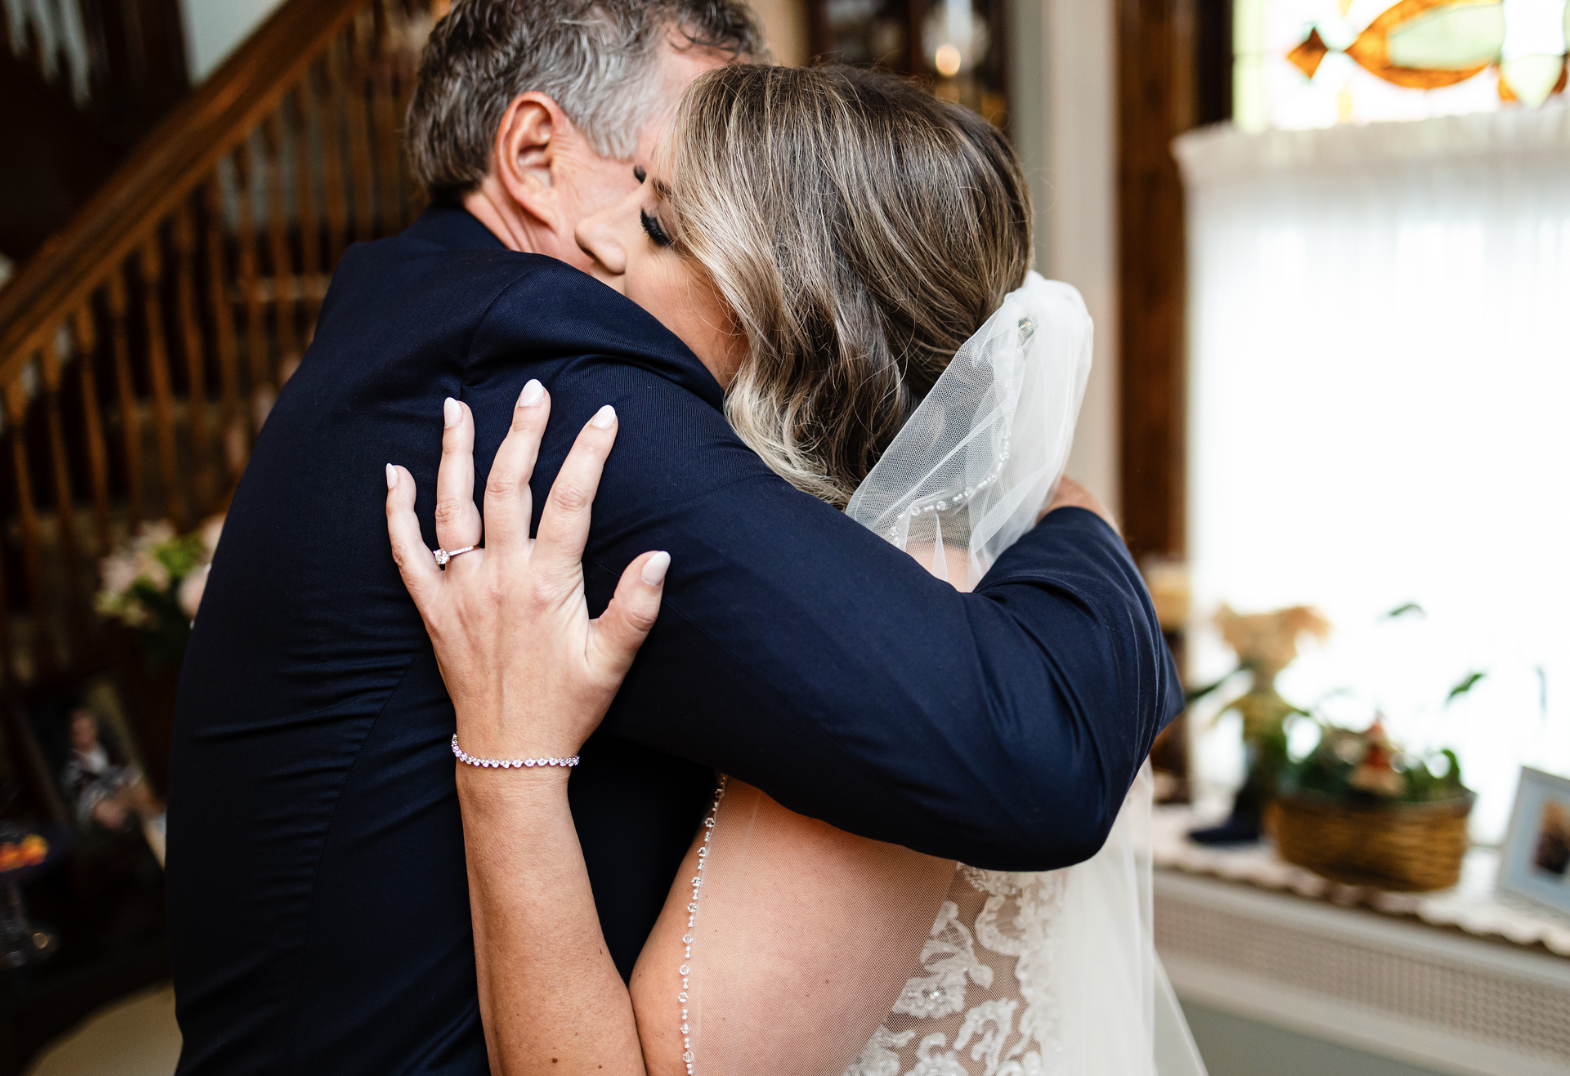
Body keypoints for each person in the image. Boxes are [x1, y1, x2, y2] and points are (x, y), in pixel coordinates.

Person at [166, 3, 1181, 1074]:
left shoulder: (420, 319)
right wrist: (1070, 509)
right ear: (535, 153)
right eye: (667, 180)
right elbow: (1037, 745)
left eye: (689, 204)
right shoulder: (544, 380)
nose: (661, 218)